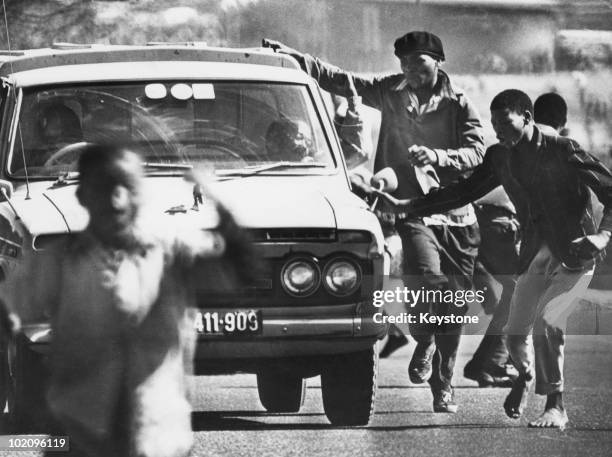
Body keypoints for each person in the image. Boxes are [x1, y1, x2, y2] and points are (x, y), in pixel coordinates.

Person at [263, 31, 485, 413]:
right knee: (427, 281)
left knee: (454, 308)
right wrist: (296, 58)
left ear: (438, 61)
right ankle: (423, 338)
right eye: (404, 62)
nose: (410, 70)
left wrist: (438, 157)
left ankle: (443, 379)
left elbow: (477, 152)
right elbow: (342, 80)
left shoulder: (460, 104)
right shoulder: (390, 90)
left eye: (418, 61)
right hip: (413, 209)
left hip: (457, 215)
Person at [376, 89, 612, 428]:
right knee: (516, 335)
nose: (498, 130)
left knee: (548, 322)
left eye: (505, 122)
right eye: (494, 123)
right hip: (535, 252)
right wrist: (409, 207)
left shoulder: (563, 149)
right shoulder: (500, 156)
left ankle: (555, 405)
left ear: (527, 118)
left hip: (576, 249)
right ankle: (525, 377)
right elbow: (464, 191)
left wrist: (603, 234)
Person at [4, 143, 255, 456]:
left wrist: (216, 197)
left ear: (144, 194)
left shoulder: (173, 251)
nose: (117, 201)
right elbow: (8, 311)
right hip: (77, 433)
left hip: (157, 436)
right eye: (103, 187)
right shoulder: (59, 261)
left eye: (128, 188)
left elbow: (242, 268)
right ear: (82, 196)